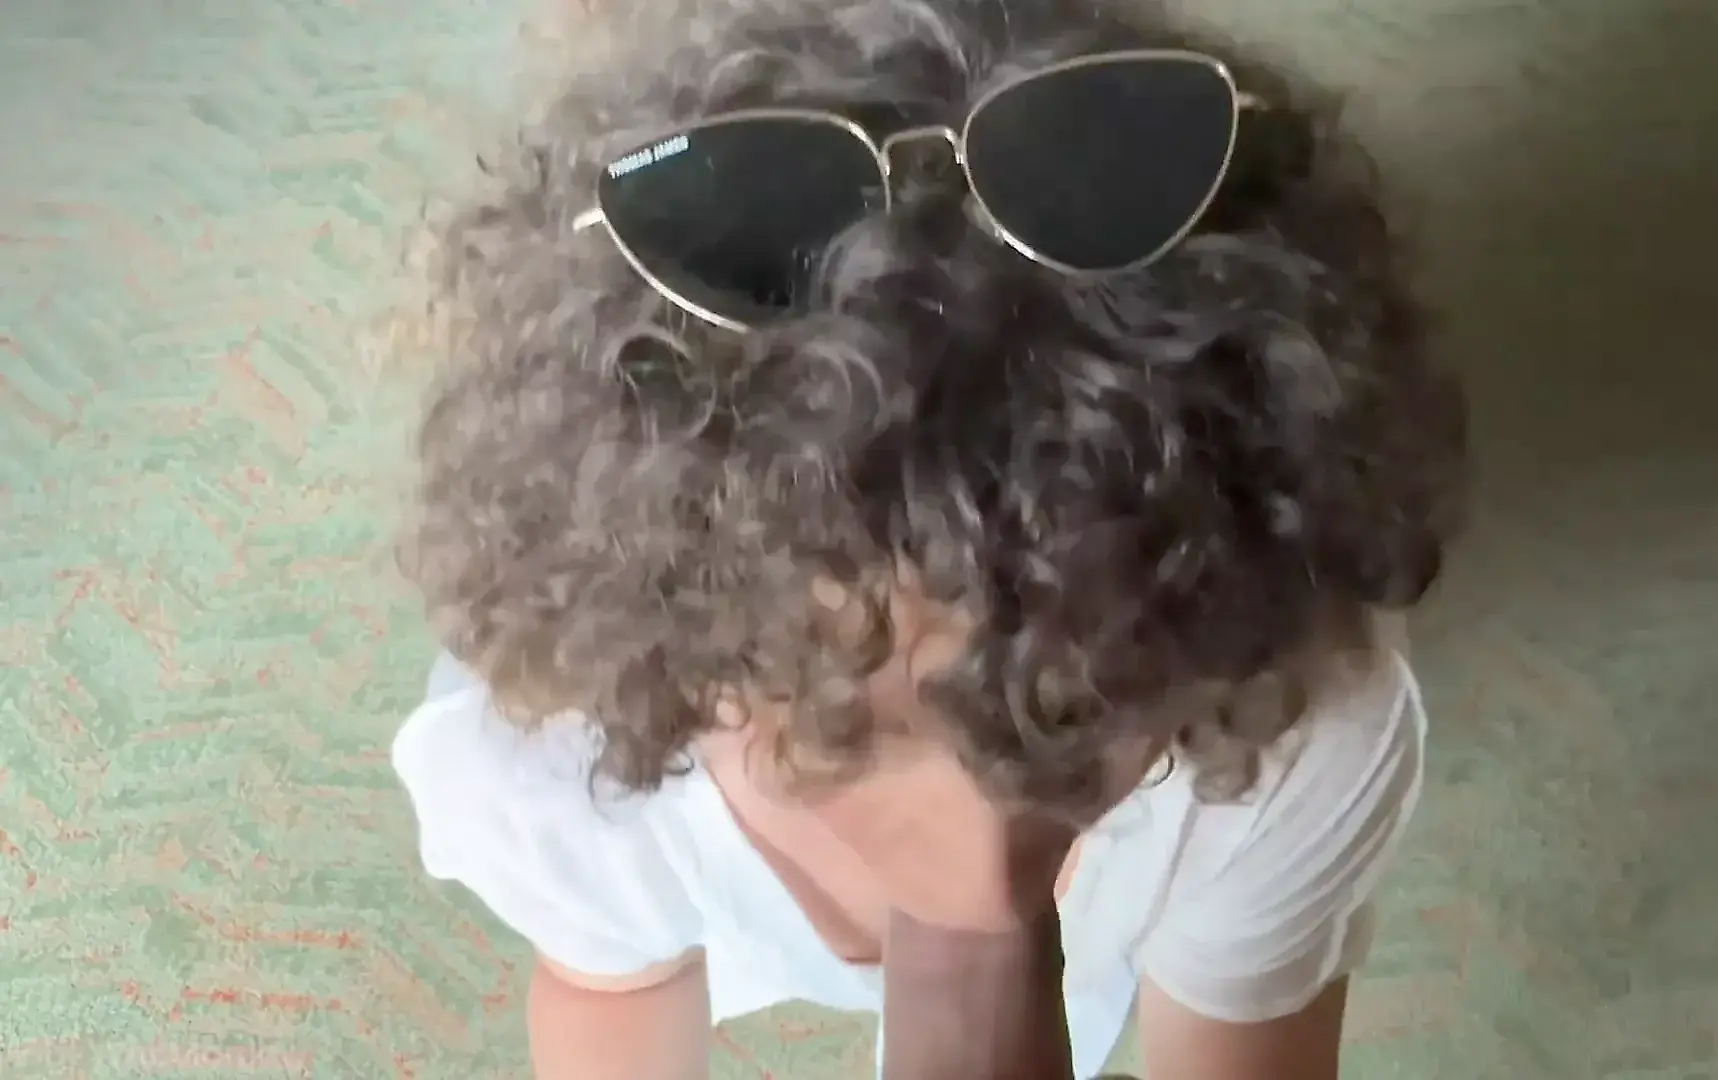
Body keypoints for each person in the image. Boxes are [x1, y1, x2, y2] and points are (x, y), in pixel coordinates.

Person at [387, 0, 1467, 1077]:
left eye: (1079, 712)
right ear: (681, 640)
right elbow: (608, 983)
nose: (988, 869)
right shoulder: (569, 769)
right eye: (855, 727)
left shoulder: (1285, 737)